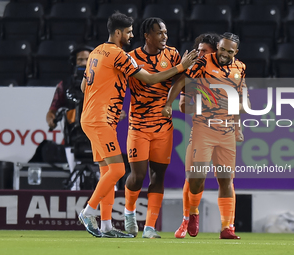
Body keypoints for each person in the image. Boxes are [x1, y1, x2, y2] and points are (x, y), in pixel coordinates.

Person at [77, 11, 197, 238]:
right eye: (129, 32)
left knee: (107, 172)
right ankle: (88, 212)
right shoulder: (120, 55)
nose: (131, 36)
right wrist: (181, 67)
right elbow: (150, 79)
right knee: (118, 170)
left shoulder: (96, 51)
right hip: (104, 119)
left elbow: (85, 87)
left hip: (97, 117)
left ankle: (106, 226)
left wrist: (107, 99)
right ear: (119, 32)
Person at [162, 32, 250, 239]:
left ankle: (228, 228)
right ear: (218, 47)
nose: (225, 53)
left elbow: (245, 103)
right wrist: (168, 104)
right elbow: (180, 83)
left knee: (226, 180)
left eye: (230, 51)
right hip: (203, 130)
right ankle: (192, 212)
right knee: (196, 179)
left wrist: (236, 122)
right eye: (222, 49)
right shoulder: (202, 64)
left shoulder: (240, 68)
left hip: (226, 133)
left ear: (235, 52)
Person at [123, 17, 182, 239]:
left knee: (158, 176)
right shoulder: (132, 58)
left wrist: (170, 102)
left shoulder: (173, 55)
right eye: (159, 33)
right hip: (138, 126)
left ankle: (149, 226)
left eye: (166, 32)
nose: (164, 36)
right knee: (137, 176)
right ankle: (129, 214)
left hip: (163, 127)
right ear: (147, 35)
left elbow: (181, 79)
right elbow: (138, 81)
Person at [46, 44, 93, 190]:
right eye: (80, 60)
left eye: (87, 59)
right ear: (74, 62)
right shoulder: (64, 85)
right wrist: (51, 119)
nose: (84, 63)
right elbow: (53, 109)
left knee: (102, 176)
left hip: (97, 136)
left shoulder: (103, 82)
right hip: (73, 137)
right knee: (75, 178)